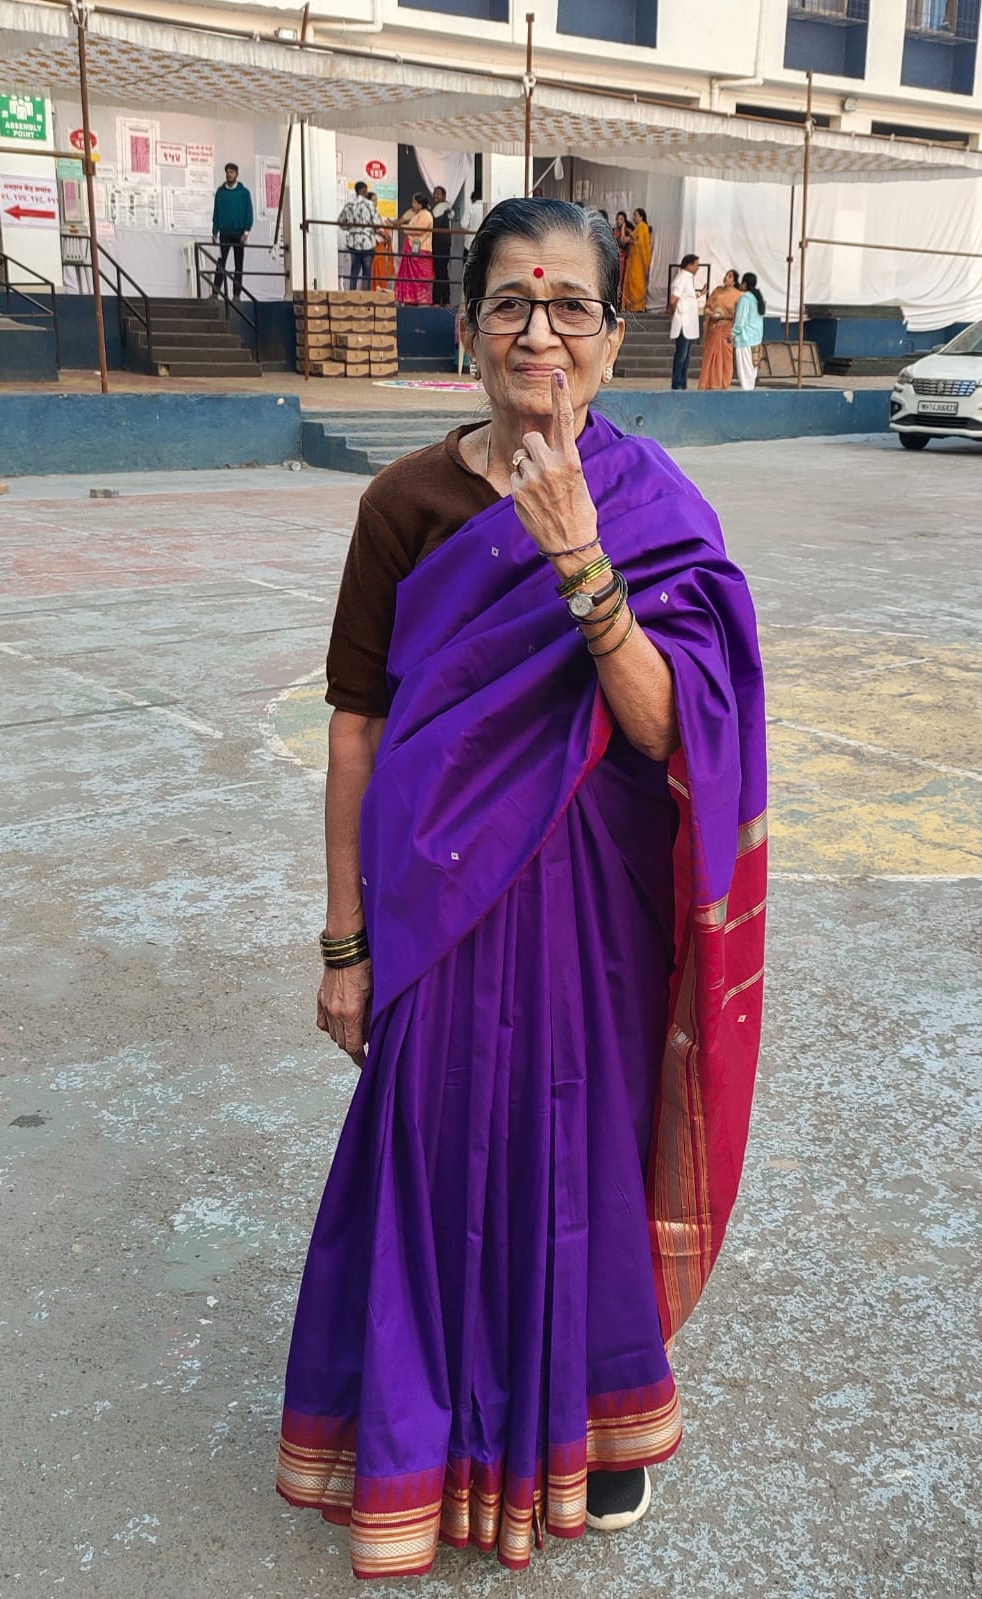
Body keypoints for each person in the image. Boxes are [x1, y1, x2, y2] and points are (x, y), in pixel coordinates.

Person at [277, 197, 767, 1582]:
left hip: (590, 915)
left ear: (614, 340)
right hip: (434, 912)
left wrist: (578, 556)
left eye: (568, 306)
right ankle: (418, 1438)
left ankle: (584, 1426)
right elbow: (357, 726)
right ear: (469, 330)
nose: (537, 329)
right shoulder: (408, 505)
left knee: (575, 1164)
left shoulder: (651, 505)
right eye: (508, 302)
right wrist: (345, 939)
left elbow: (672, 728)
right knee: (432, 1164)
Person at [211, 162, 253, 299]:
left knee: (238, 265)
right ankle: (215, 293)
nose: (229, 174)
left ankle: (236, 295)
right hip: (224, 233)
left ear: (237, 174)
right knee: (221, 263)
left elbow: (249, 213)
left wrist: (246, 232)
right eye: (227, 172)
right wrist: (215, 231)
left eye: (232, 172)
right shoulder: (220, 192)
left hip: (239, 233)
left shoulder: (244, 193)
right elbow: (216, 212)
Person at [697, 269, 742, 391]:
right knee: (710, 356)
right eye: (726, 275)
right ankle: (707, 383)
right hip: (714, 328)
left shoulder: (739, 295)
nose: (726, 277)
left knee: (726, 358)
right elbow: (707, 307)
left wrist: (723, 317)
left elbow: (739, 315)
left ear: (734, 281)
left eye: (730, 276)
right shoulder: (717, 290)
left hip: (727, 329)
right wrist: (711, 314)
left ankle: (722, 383)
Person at [667, 252, 702, 390]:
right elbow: (674, 299)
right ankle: (677, 382)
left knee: (687, 355)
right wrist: (674, 311)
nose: (698, 268)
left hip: (689, 323)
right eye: (696, 265)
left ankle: (682, 381)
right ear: (689, 265)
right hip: (683, 323)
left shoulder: (688, 278)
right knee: (681, 355)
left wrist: (700, 294)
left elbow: (688, 296)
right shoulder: (682, 278)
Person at [394, 191, 434, 305]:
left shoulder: (426, 215)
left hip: (421, 250)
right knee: (410, 277)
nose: (412, 205)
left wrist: (404, 227)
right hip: (414, 249)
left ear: (420, 204)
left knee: (420, 277)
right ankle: (410, 299)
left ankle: (421, 300)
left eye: (414, 202)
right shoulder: (418, 214)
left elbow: (418, 230)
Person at [338, 180, 378, 292]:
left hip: (354, 242)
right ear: (364, 190)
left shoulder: (349, 205)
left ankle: (352, 294)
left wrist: (350, 228)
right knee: (367, 271)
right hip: (368, 242)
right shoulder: (370, 205)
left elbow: (340, 221)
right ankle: (367, 296)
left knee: (354, 270)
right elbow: (376, 223)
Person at [731, 272, 766, 391]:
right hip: (756, 339)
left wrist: (733, 334)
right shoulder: (758, 298)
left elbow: (740, 320)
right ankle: (751, 394)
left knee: (744, 372)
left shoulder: (745, 298)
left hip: (745, 339)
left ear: (745, 284)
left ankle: (747, 397)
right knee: (752, 371)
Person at [621, 206, 651, 312]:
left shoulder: (642, 226)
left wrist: (625, 231)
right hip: (634, 259)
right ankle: (632, 306)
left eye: (635, 215)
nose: (634, 217)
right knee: (633, 281)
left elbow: (641, 244)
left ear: (641, 217)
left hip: (638, 260)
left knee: (636, 281)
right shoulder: (639, 227)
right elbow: (627, 240)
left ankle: (637, 306)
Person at [431, 184, 452, 307]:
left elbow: (434, 226)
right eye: (434, 193)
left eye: (437, 193)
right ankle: (446, 300)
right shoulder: (447, 208)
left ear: (444, 196)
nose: (435, 195)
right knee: (443, 272)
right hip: (446, 243)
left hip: (439, 244)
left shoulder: (439, 208)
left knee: (439, 272)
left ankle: (437, 301)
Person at [613, 210, 631, 283]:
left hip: (623, 257)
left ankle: (619, 293)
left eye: (621, 219)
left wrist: (623, 229)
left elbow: (623, 242)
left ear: (624, 221)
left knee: (621, 278)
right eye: (617, 219)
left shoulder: (627, 231)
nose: (618, 221)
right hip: (614, 257)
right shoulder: (615, 230)